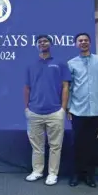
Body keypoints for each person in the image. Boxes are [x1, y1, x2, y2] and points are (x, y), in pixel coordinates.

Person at [23, 35, 71, 186]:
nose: (42, 43)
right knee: (37, 146)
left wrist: (63, 108)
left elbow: (65, 87)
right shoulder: (30, 65)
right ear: (37, 45)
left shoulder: (60, 64)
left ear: (50, 44)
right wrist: (26, 108)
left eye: (45, 41)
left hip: (55, 112)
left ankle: (52, 174)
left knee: (55, 146)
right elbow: (26, 88)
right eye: (40, 42)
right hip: (34, 112)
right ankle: (37, 171)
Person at [67, 33, 98, 188]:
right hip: (78, 110)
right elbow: (69, 88)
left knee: (91, 144)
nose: (83, 42)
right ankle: (77, 174)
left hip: (96, 110)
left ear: (90, 43)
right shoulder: (71, 63)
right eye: (80, 41)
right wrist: (69, 107)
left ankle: (90, 175)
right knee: (77, 143)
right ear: (76, 44)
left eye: (86, 40)